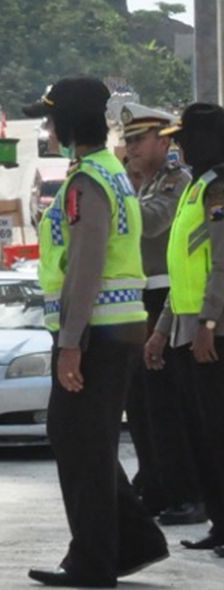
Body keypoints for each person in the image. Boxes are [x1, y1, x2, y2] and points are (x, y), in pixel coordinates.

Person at [24, 77, 168, 589]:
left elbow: (85, 266)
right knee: (87, 439)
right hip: (117, 327)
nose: (46, 127)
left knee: (77, 438)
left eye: (50, 118)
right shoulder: (111, 172)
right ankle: (132, 541)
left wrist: (69, 343)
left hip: (98, 333)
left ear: (68, 123)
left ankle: (92, 558)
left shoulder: (87, 181)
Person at [143, 102, 224, 557]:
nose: (179, 145)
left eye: (185, 137)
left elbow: (222, 265)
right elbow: (183, 269)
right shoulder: (197, 189)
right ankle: (220, 522)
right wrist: (161, 330)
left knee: (218, 432)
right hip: (189, 327)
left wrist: (210, 323)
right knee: (203, 433)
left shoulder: (219, 190)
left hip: (214, 331)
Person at [121, 104, 203, 526]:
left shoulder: (177, 183)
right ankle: (155, 483)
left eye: (139, 139)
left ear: (164, 141)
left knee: (168, 404)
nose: (130, 147)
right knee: (141, 405)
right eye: (128, 140)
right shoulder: (140, 185)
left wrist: (117, 198)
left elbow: (151, 225)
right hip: (138, 300)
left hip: (165, 301)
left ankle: (187, 491)